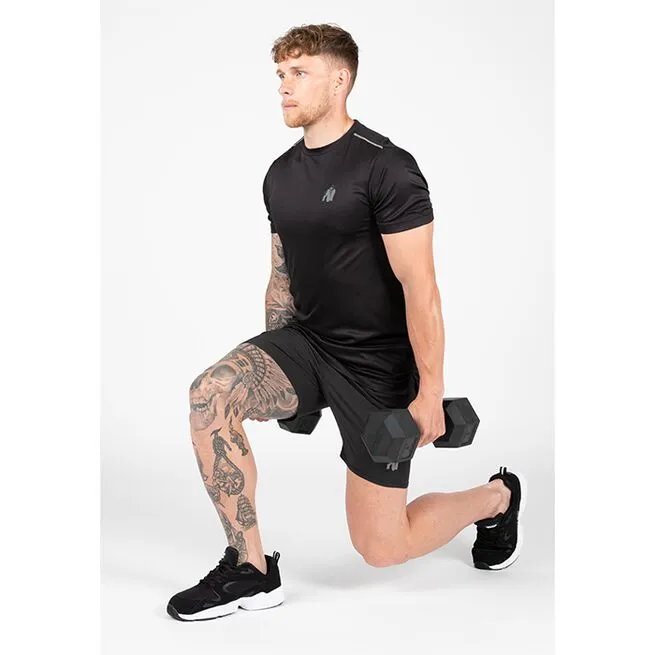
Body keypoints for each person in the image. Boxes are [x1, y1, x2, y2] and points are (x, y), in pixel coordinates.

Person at [167, 22, 526, 623]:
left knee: (383, 547)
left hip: (376, 366)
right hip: (307, 344)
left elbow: (421, 289)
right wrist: (278, 360)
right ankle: (250, 569)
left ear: (340, 80)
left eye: (298, 73)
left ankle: (497, 498)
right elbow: (282, 274)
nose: (284, 86)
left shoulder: (387, 168)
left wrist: (430, 392)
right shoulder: (280, 175)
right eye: (280, 74)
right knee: (211, 394)